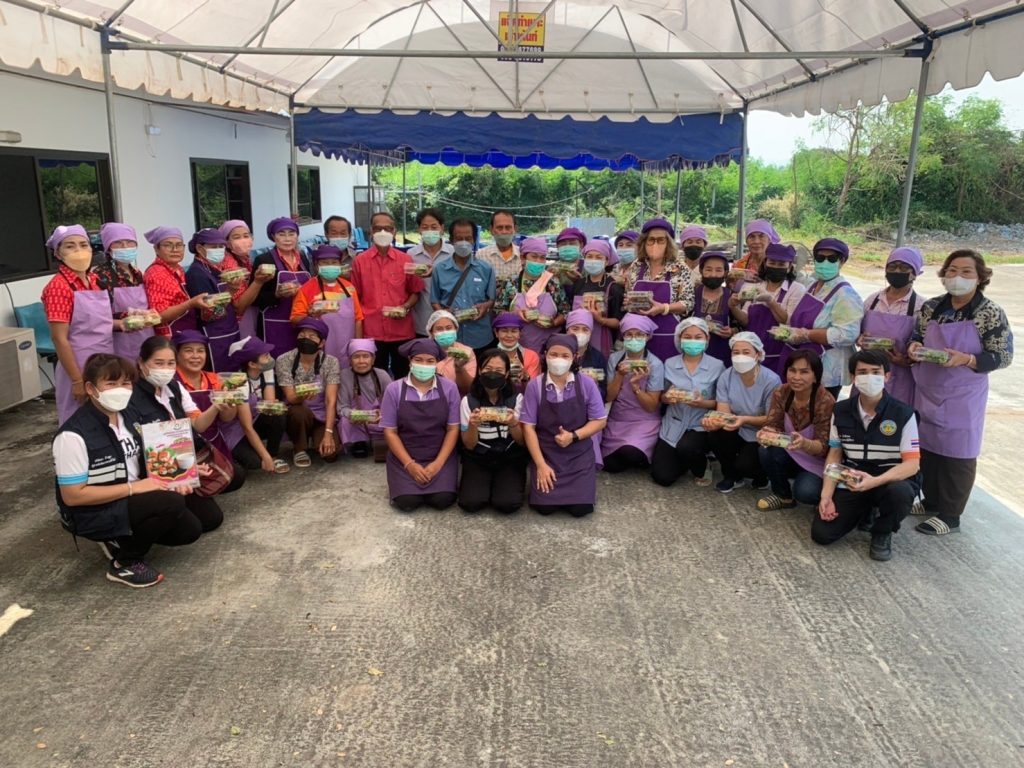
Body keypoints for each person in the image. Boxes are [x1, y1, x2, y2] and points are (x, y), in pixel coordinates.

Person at [53, 353, 220, 588]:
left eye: (125, 383)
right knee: (170, 503)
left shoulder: (129, 415)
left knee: (191, 529)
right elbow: (73, 496)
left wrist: (183, 471)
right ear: (90, 389)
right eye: (111, 383)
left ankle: (121, 536)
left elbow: (155, 453)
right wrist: (135, 487)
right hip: (93, 510)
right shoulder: (73, 435)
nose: (120, 390)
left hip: (134, 494)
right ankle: (125, 562)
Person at [909, 249, 1013, 536]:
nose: (957, 276)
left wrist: (967, 359)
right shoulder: (932, 307)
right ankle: (931, 501)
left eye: (966, 271)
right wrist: (914, 347)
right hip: (929, 387)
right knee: (928, 448)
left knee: (958, 453)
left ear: (980, 277)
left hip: (963, 393)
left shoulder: (989, 312)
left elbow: (1003, 356)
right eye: (952, 270)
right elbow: (917, 335)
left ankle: (951, 515)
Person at [815, 350, 922, 561]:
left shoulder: (903, 413)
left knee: (900, 493)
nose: (869, 377)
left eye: (876, 372)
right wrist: (826, 495)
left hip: (888, 479)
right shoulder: (840, 410)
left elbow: (912, 464)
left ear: (887, 376)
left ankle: (882, 531)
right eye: (862, 372)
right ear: (853, 378)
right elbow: (835, 454)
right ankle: (865, 510)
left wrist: (874, 482)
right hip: (853, 479)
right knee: (822, 535)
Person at [520, 334, 607, 517]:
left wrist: (573, 436)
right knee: (544, 509)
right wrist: (540, 465)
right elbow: (528, 427)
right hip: (547, 453)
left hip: (578, 453)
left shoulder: (587, 384)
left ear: (575, 357)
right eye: (554, 354)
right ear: (545, 355)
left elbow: (599, 420)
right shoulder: (535, 386)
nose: (558, 359)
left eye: (565, 355)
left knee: (581, 509)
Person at [42, 224, 115, 425]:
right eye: (70, 246)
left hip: (104, 359)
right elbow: (59, 338)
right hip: (78, 364)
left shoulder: (94, 280)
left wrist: (125, 322)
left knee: (106, 418)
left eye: (83, 245)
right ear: (58, 253)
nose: (79, 251)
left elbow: (97, 322)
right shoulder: (58, 287)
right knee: (79, 421)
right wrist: (77, 380)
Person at [380, 338, 461, 512]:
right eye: (418, 360)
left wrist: (438, 463)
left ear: (437, 363)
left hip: (440, 455)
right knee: (407, 502)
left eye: (430, 361)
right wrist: (409, 464)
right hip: (405, 456)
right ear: (410, 361)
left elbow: (453, 429)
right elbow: (390, 432)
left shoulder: (449, 388)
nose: (424, 365)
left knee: (442, 500)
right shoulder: (394, 389)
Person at [781, 238, 864, 399]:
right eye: (820, 258)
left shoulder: (846, 294)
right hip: (804, 363)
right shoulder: (812, 286)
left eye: (832, 258)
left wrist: (807, 334)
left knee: (820, 409)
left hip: (827, 369)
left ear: (842, 261)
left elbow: (847, 334)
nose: (825, 262)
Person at [755, 350, 834, 510]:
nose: (796, 377)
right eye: (792, 370)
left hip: (815, 460)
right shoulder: (782, 392)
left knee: (806, 492)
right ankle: (783, 496)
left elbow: (824, 447)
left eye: (804, 372)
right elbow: (774, 423)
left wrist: (804, 443)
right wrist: (767, 432)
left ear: (816, 376)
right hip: (791, 452)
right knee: (765, 450)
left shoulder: (825, 401)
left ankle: (826, 497)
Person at [172, 330, 248, 492]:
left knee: (236, 477)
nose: (195, 356)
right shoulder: (172, 382)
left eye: (200, 351)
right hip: (184, 445)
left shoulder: (214, 379)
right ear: (177, 354)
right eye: (188, 351)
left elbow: (227, 418)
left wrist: (230, 402)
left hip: (214, 441)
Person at [351, 211, 425, 378]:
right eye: (378, 228)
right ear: (371, 231)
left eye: (387, 228)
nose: (383, 232)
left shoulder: (405, 260)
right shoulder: (360, 261)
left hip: (402, 331)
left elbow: (415, 291)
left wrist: (405, 307)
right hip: (372, 331)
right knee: (375, 377)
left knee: (403, 376)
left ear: (394, 231)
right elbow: (355, 297)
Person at [652, 318, 724, 487]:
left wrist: (703, 403)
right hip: (674, 423)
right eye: (687, 337)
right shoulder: (670, 363)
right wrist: (667, 398)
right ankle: (685, 460)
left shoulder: (717, 366)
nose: (693, 341)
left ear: (707, 339)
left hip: (700, 424)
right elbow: (662, 395)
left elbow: (721, 403)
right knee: (662, 477)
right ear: (679, 338)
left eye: (698, 337)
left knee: (687, 447)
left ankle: (704, 465)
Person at [704, 332, 780, 492]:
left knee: (746, 465)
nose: (740, 357)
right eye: (736, 352)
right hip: (736, 426)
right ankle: (731, 476)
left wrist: (744, 420)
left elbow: (771, 419)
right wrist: (713, 422)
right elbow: (723, 413)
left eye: (746, 352)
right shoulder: (726, 376)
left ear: (758, 354)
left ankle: (761, 477)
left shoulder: (771, 380)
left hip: (760, 432)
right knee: (715, 436)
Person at [458, 348, 527, 514]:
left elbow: (521, 441)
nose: (492, 374)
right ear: (479, 370)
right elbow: (469, 444)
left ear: (507, 373)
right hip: (479, 456)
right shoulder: (468, 401)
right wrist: (473, 425)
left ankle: (505, 483)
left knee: (507, 504)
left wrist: (513, 423)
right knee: (471, 503)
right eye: (488, 369)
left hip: (509, 456)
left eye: (499, 370)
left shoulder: (516, 398)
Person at [857, 246, 924, 405]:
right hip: (867, 374)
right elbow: (856, 331)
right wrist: (859, 338)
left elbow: (923, 344)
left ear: (914, 273)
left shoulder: (921, 306)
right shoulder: (873, 300)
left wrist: (907, 360)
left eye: (904, 267)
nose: (897, 271)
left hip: (900, 377)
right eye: (892, 266)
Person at [729, 242, 807, 374]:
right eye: (772, 263)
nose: (776, 267)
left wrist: (770, 301)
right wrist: (733, 306)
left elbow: (788, 322)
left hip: (780, 356)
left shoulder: (796, 289)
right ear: (765, 264)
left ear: (789, 267)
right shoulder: (753, 287)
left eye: (781, 264)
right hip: (752, 355)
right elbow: (745, 320)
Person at [625, 218, 696, 361]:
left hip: (667, 337)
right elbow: (628, 293)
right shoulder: (636, 266)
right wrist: (629, 302)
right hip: (637, 338)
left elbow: (688, 303)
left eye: (660, 240)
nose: (655, 244)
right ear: (644, 242)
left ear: (668, 243)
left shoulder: (680, 268)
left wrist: (664, 308)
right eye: (651, 240)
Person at [601, 314, 664, 472]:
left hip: (644, 421)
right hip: (618, 419)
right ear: (623, 336)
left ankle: (642, 454)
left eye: (639, 334)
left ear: (648, 337)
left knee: (631, 453)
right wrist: (620, 375)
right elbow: (609, 397)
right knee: (609, 465)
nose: (634, 339)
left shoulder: (655, 364)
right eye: (629, 334)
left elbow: (651, 406)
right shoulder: (615, 359)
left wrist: (636, 386)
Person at [275, 317, 341, 467]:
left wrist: (328, 433)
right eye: (302, 335)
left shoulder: (331, 362)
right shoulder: (284, 360)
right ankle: (299, 448)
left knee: (330, 454)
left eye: (312, 336)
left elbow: (330, 400)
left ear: (321, 343)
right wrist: (302, 396)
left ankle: (318, 437)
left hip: (321, 414)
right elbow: (290, 397)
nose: (306, 339)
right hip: (298, 411)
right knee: (299, 412)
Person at [290, 244, 364, 369]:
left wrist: (357, 346)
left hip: (347, 346)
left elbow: (358, 319)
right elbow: (294, 319)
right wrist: (311, 314)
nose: (330, 265)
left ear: (340, 264)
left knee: (347, 376)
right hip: (320, 347)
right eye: (324, 262)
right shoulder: (306, 289)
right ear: (316, 265)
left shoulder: (349, 287)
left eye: (334, 262)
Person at [223, 336, 290, 474]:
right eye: (265, 356)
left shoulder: (265, 370)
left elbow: (269, 403)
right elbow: (246, 426)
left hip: (254, 420)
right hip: (236, 430)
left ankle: (273, 455)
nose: (270, 358)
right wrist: (264, 457)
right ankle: (236, 455)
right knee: (255, 463)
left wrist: (273, 406)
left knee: (278, 414)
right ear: (252, 364)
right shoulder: (237, 381)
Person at [430, 218, 496, 355]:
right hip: (450, 337)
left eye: (468, 238)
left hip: (480, 336)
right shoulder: (440, 269)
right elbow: (434, 300)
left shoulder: (486, 269)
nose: (464, 242)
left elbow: (491, 299)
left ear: (474, 240)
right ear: (451, 240)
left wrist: (486, 306)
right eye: (459, 238)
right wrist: (444, 315)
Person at [93, 222, 154, 364]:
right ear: (108, 247)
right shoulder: (100, 275)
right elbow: (98, 317)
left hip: (145, 337)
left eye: (130, 242)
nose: (125, 247)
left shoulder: (137, 273)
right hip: (119, 343)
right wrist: (126, 320)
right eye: (118, 243)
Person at [185, 227, 244, 372]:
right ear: (200, 248)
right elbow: (210, 313)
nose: (219, 250)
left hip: (229, 331)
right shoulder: (197, 274)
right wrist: (231, 291)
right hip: (214, 337)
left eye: (221, 246)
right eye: (213, 246)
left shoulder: (215, 269)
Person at [252, 216, 311, 358]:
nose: (287, 239)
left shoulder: (303, 258)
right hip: (273, 326)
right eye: (281, 234)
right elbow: (255, 299)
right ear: (273, 237)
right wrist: (277, 294)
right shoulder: (264, 260)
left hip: (300, 323)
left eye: (291, 233)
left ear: (297, 236)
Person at [143, 226, 208, 339]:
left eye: (179, 245)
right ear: (156, 249)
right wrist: (190, 304)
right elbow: (159, 315)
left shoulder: (179, 269)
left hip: (186, 331)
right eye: (168, 245)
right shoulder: (156, 273)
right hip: (170, 336)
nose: (175, 249)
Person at [507, 236, 569, 353]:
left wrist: (553, 322)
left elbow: (565, 312)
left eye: (542, 258)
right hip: (518, 345)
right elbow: (498, 311)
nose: (539, 261)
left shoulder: (553, 283)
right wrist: (515, 314)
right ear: (523, 258)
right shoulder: (511, 283)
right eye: (534, 257)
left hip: (549, 347)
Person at [338, 338, 392, 460]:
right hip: (357, 422)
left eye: (366, 356)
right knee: (345, 421)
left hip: (379, 420)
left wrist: (382, 414)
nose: (361, 361)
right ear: (350, 360)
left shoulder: (382, 375)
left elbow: (394, 403)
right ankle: (359, 442)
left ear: (373, 359)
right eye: (356, 357)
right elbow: (341, 407)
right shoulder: (344, 376)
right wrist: (353, 414)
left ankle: (383, 441)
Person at [570, 238, 625, 358]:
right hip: (576, 338)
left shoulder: (613, 287)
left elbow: (619, 322)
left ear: (606, 261)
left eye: (598, 257)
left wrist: (601, 320)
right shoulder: (579, 284)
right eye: (589, 256)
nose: (593, 260)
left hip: (601, 340)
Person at [407, 208, 454, 337]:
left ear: (442, 228)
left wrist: (438, 272)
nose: (429, 231)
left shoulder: (453, 253)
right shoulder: (411, 255)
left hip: (448, 318)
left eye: (434, 227)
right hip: (421, 320)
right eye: (425, 227)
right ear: (419, 229)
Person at [219, 219, 262, 340]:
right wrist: (259, 282)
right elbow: (239, 306)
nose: (243, 240)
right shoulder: (229, 263)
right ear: (226, 242)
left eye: (246, 236)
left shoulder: (245, 259)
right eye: (236, 237)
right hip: (240, 321)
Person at [691, 251, 735, 365]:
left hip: (722, 355)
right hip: (693, 354)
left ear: (725, 272)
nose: (713, 274)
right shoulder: (692, 294)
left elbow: (742, 325)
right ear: (701, 271)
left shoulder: (732, 296)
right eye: (708, 269)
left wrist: (732, 331)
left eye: (718, 270)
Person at [426, 310, 476, 395]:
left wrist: (459, 369)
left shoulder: (466, 352)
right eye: (439, 329)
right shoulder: (424, 351)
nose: (445, 332)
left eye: (449, 328)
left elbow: (468, 388)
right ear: (431, 332)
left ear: (456, 329)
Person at [565, 308, 608, 399]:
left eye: (585, 330)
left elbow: (604, 394)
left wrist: (595, 385)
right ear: (567, 330)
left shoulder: (598, 358)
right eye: (575, 329)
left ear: (591, 333)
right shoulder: (557, 353)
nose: (580, 333)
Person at [492, 311, 540, 390]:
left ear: (520, 333)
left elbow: (534, 389)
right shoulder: (490, 357)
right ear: (496, 333)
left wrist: (526, 377)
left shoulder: (531, 356)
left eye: (514, 331)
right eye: (504, 331)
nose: (509, 335)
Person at [476, 210, 521, 288]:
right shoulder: (481, 256)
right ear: (491, 230)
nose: (504, 231)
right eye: (499, 228)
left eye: (508, 227)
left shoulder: (523, 255)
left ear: (515, 229)